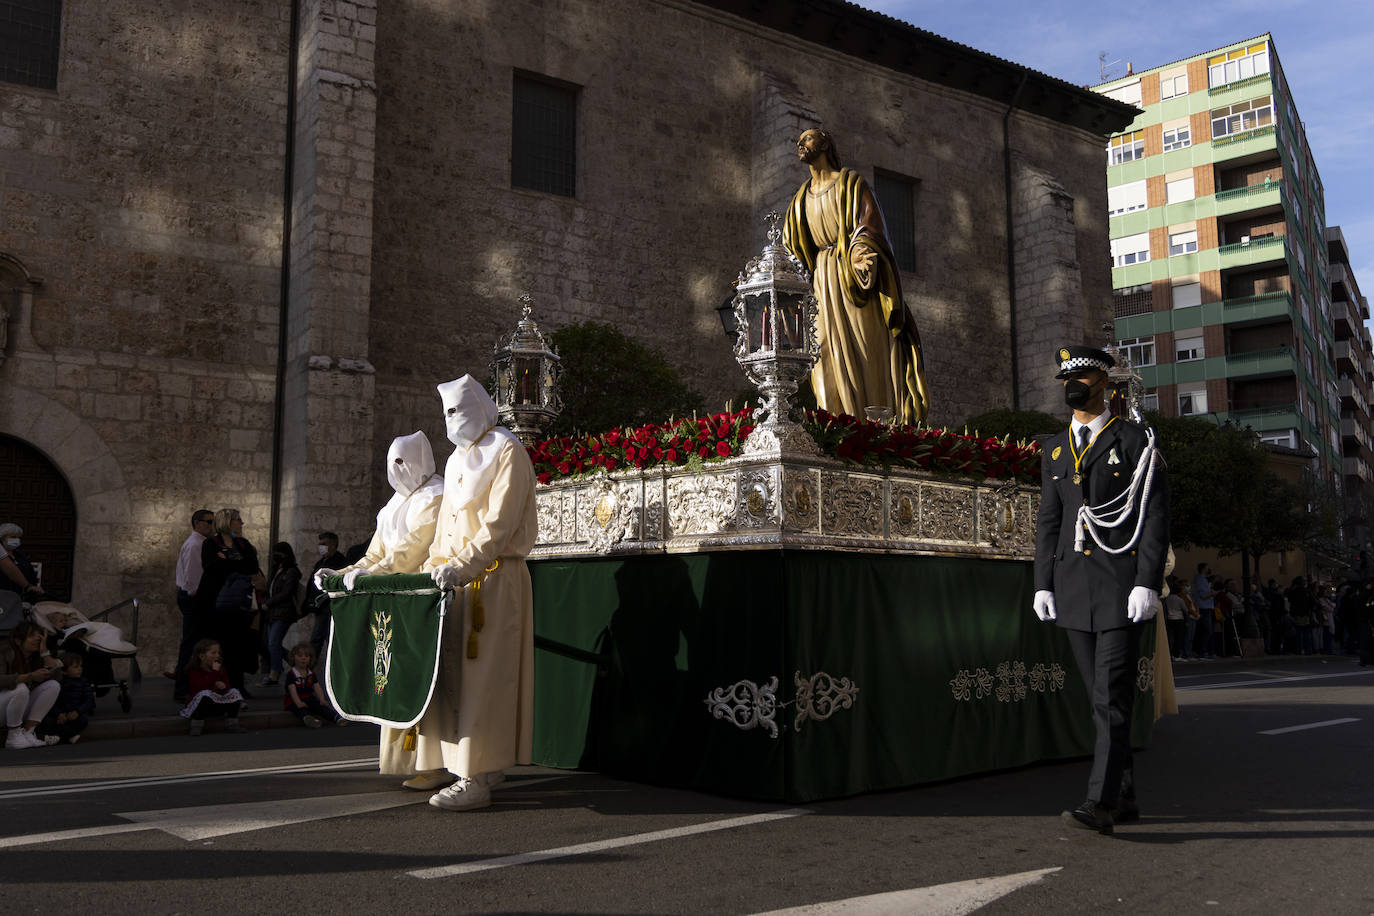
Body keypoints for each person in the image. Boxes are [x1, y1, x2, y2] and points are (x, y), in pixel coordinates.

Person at [1033, 345, 1170, 835]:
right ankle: (1126, 795)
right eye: (1068, 379)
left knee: (1110, 696)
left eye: (1086, 378)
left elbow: (1154, 518)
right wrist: (1042, 584)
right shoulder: (1052, 447)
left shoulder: (1136, 441)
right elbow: (1049, 522)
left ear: (1106, 385)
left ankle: (1100, 804)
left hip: (1118, 585)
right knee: (1101, 698)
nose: (1076, 387)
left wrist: (1145, 583)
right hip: (1071, 587)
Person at [422, 375, 537, 812]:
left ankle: (474, 778)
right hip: (454, 582)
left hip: (492, 578)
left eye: (456, 410)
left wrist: (464, 566)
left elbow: (500, 522)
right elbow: (445, 526)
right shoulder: (454, 461)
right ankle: (479, 764)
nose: (450, 420)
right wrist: (433, 568)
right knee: (457, 677)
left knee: (485, 678)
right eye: (445, 413)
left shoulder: (506, 449)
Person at [315, 432, 444, 788]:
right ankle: (405, 761)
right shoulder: (391, 506)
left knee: (419, 676)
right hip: (392, 598)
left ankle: (432, 763)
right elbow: (374, 552)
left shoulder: (435, 496)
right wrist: (340, 574)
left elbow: (415, 548)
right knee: (394, 674)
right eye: (391, 462)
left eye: (403, 461)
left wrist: (373, 573)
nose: (396, 469)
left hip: (418, 597)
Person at [782, 128, 930, 424]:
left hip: (853, 278)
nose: (800, 143)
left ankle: (873, 423)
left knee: (865, 349)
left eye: (807, 139)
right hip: (820, 286)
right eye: (798, 140)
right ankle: (835, 423)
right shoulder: (800, 199)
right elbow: (790, 247)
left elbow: (870, 226)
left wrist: (861, 253)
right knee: (822, 352)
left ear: (825, 143)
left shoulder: (851, 184)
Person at [198, 508, 262, 692]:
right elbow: (212, 568)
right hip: (217, 604)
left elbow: (252, 566)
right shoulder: (211, 544)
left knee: (238, 647)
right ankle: (217, 685)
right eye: (237, 519)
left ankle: (237, 687)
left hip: (240, 604)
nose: (241, 523)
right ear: (227, 522)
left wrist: (226, 560)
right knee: (219, 647)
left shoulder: (243, 544)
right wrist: (234, 564)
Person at [173, 509, 215, 701]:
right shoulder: (194, 545)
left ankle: (192, 684)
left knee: (194, 643)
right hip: (194, 598)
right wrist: (197, 596)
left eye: (212, 522)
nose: (211, 525)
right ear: (197, 523)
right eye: (208, 522)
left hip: (193, 598)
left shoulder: (200, 544)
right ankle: (181, 688)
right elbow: (192, 578)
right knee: (190, 644)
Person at [0, 622, 62, 748]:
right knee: (21, 687)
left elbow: (58, 677)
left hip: (16, 708)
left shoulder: (36, 655)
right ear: (18, 641)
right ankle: (13, 736)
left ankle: (28, 732)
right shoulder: (4, 651)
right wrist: (30, 676)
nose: (38, 638)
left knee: (53, 685)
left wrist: (44, 652)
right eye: (31, 635)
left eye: (39, 635)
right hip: (2, 705)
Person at [258, 542, 302, 687]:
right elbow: (269, 589)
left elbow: (287, 593)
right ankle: (298, 663)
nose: (275, 556)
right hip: (273, 613)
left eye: (278, 553)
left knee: (273, 643)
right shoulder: (277, 569)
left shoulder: (291, 572)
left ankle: (274, 674)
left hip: (284, 612)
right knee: (271, 644)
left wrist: (268, 603)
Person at [179, 639, 244, 735]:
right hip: (200, 707)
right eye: (213, 653)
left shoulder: (220, 669)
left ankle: (232, 724)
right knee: (204, 694)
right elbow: (200, 688)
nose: (217, 655)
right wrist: (214, 673)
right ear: (202, 656)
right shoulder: (195, 670)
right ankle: (196, 725)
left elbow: (228, 687)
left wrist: (224, 686)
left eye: (218, 653)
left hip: (216, 706)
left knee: (234, 692)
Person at [306, 531, 348, 664]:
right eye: (320, 544)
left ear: (333, 544)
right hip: (321, 608)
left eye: (324, 544)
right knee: (319, 639)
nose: (321, 547)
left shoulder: (339, 562)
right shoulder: (321, 562)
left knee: (322, 639)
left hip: (329, 607)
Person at [282, 643, 344, 727]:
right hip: (294, 700)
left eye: (306, 656)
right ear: (293, 658)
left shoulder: (311, 674)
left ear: (310, 659)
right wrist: (298, 702)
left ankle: (336, 718)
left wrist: (322, 699)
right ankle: (308, 719)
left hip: (308, 697)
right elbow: (292, 690)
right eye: (300, 656)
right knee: (300, 709)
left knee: (319, 707)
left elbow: (317, 687)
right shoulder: (292, 674)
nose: (303, 658)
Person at [42, 651, 94, 744]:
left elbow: (89, 700)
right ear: (64, 671)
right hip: (59, 715)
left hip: (74, 714)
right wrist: (59, 714)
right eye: (76, 667)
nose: (80, 669)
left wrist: (77, 712)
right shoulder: (58, 683)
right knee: (47, 721)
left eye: (80, 666)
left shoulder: (83, 682)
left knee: (83, 721)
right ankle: (67, 737)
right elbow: (51, 702)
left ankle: (61, 738)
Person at [0, 523, 43, 600]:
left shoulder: (22, 556)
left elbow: (31, 575)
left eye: (18, 537)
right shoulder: (2, 557)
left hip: (23, 597)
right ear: (2, 538)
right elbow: (8, 568)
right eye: (13, 537)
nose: (16, 540)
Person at [1191, 564, 1215, 659]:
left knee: (1203, 630)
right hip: (1204, 607)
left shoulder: (1203, 580)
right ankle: (1202, 651)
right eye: (1207, 567)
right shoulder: (1200, 580)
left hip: (1206, 607)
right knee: (1206, 630)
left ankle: (1201, 651)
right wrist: (1213, 593)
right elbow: (1203, 595)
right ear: (1204, 569)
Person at [1163, 576, 1187, 661]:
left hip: (1170, 618)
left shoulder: (1167, 599)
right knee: (1178, 637)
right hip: (1178, 619)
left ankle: (1169, 654)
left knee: (1170, 637)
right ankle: (1176, 654)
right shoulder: (1179, 599)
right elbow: (1185, 609)